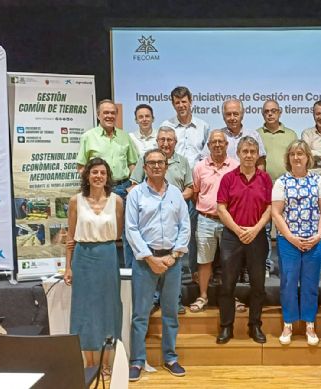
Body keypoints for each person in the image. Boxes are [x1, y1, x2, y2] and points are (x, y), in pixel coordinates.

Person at [126, 149, 191, 382]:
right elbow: (131, 229)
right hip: (145, 262)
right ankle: (137, 360)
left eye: (160, 162)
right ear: (144, 167)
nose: (156, 166)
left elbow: (185, 226)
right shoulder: (136, 195)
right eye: (151, 163)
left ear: (166, 166)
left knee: (171, 313)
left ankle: (170, 357)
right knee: (140, 314)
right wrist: (150, 258)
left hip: (172, 261)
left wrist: (174, 256)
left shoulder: (175, 193)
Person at [64, 158, 123, 378]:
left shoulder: (116, 201)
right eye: (94, 172)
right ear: (87, 175)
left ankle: (106, 363)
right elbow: (70, 237)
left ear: (108, 177)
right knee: (84, 310)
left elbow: (118, 233)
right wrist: (68, 267)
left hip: (107, 256)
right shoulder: (75, 201)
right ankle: (89, 363)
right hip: (83, 258)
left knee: (109, 309)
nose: (99, 176)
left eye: (103, 173)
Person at [271, 140, 321, 346]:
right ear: (288, 158)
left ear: (308, 158)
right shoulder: (281, 182)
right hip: (289, 241)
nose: (297, 157)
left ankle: (309, 324)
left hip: (313, 240)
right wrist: (291, 237)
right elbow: (276, 213)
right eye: (293, 154)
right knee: (288, 282)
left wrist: (319, 235)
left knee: (310, 283)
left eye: (301, 154)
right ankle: (288, 323)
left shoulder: (318, 181)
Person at [130, 127, 193, 314]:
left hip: (174, 211)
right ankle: (153, 300)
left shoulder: (183, 162)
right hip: (149, 223)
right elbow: (134, 185)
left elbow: (190, 188)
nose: (166, 143)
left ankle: (174, 300)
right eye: (162, 139)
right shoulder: (146, 158)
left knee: (175, 267)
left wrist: (171, 200)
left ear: (176, 142)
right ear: (157, 141)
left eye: (170, 140)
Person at [216, 136, 272, 345]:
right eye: (245, 151)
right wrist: (239, 230)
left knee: (258, 284)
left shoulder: (265, 179)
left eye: (252, 152)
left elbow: (270, 208)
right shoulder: (228, 178)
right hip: (232, 236)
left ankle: (255, 325)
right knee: (227, 284)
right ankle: (226, 327)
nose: (249, 155)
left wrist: (255, 229)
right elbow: (221, 208)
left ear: (258, 155)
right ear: (237, 154)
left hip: (257, 236)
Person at [76, 99, 139, 268]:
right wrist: (93, 187)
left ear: (117, 115)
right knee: (100, 231)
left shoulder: (125, 137)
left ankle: (128, 271)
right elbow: (81, 167)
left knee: (128, 233)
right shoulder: (88, 137)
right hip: (99, 192)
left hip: (123, 188)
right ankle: (102, 269)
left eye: (113, 113)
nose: (110, 116)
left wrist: (133, 184)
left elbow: (134, 163)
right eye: (106, 113)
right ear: (98, 115)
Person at [161, 86, 210, 281]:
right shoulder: (167, 125)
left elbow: (206, 157)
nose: (181, 105)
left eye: (184, 101)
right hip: (171, 187)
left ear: (191, 101)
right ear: (173, 104)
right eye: (177, 102)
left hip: (195, 187)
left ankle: (194, 272)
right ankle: (175, 272)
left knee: (194, 232)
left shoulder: (203, 126)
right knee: (172, 231)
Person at [189, 130, 239, 313]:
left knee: (230, 262)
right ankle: (203, 296)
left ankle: (231, 296)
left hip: (229, 222)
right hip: (206, 220)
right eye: (213, 142)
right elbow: (195, 194)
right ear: (208, 146)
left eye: (221, 142)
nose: (217, 145)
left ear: (227, 145)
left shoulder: (236, 166)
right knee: (204, 261)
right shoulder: (199, 167)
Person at [256, 99, 298, 277]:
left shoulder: (291, 135)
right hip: (264, 190)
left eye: (274, 111)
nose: (270, 114)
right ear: (262, 114)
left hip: (287, 190)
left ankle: (284, 266)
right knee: (265, 230)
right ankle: (265, 265)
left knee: (284, 229)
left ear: (280, 112)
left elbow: (296, 160)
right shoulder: (257, 134)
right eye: (266, 111)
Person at [221, 99, 267, 168]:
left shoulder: (253, 135)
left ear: (242, 115)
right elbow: (205, 160)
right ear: (223, 117)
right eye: (228, 114)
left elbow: (260, 163)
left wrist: (259, 179)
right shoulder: (217, 137)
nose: (232, 118)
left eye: (236, 114)